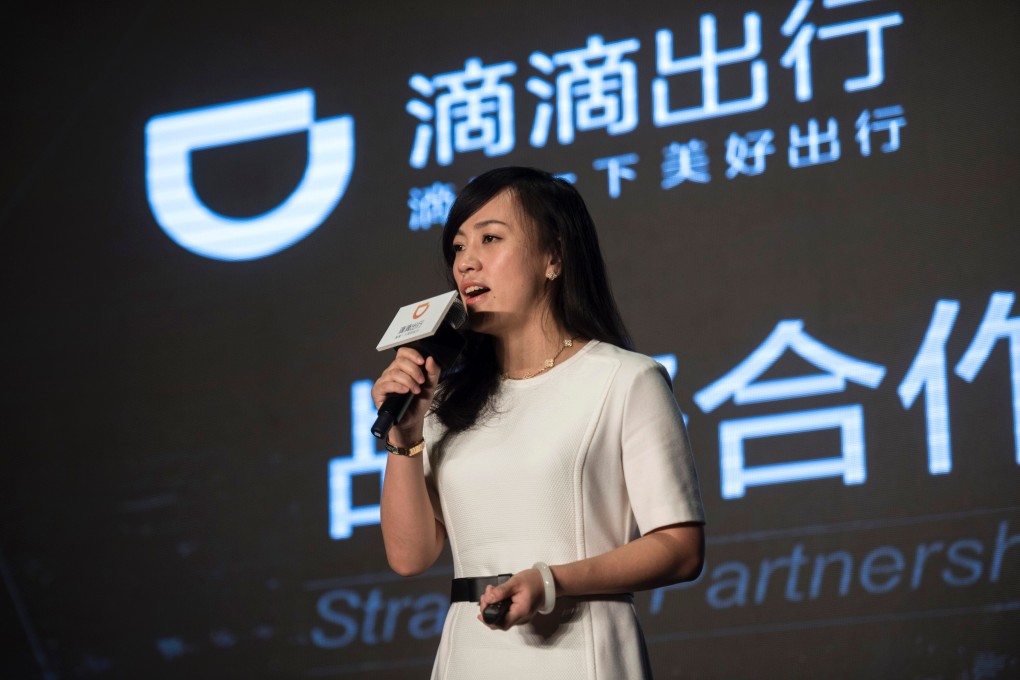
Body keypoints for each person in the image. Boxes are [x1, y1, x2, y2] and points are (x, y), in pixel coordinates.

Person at [372, 167, 705, 679]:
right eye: (458, 247)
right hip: (468, 656)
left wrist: (550, 582)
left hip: (581, 649)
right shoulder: (447, 401)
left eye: (490, 238)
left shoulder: (624, 378)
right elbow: (410, 556)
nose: (466, 262)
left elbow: (680, 550)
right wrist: (406, 438)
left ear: (553, 257)